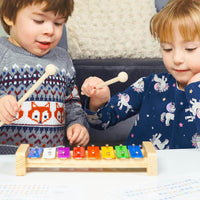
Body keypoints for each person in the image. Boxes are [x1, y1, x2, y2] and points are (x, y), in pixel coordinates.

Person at [81, 0, 200, 149]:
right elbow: (101, 121)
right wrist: (99, 100)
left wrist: (196, 89)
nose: (176, 59)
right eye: (167, 49)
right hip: (141, 169)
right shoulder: (151, 85)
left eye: (190, 49)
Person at [0, 0, 89, 147]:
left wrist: (77, 125)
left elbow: (71, 102)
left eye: (58, 23)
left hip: (53, 158)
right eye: (39, 20)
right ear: (8, 16)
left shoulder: (63, 59)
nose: (50, 30)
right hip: (5, 160)